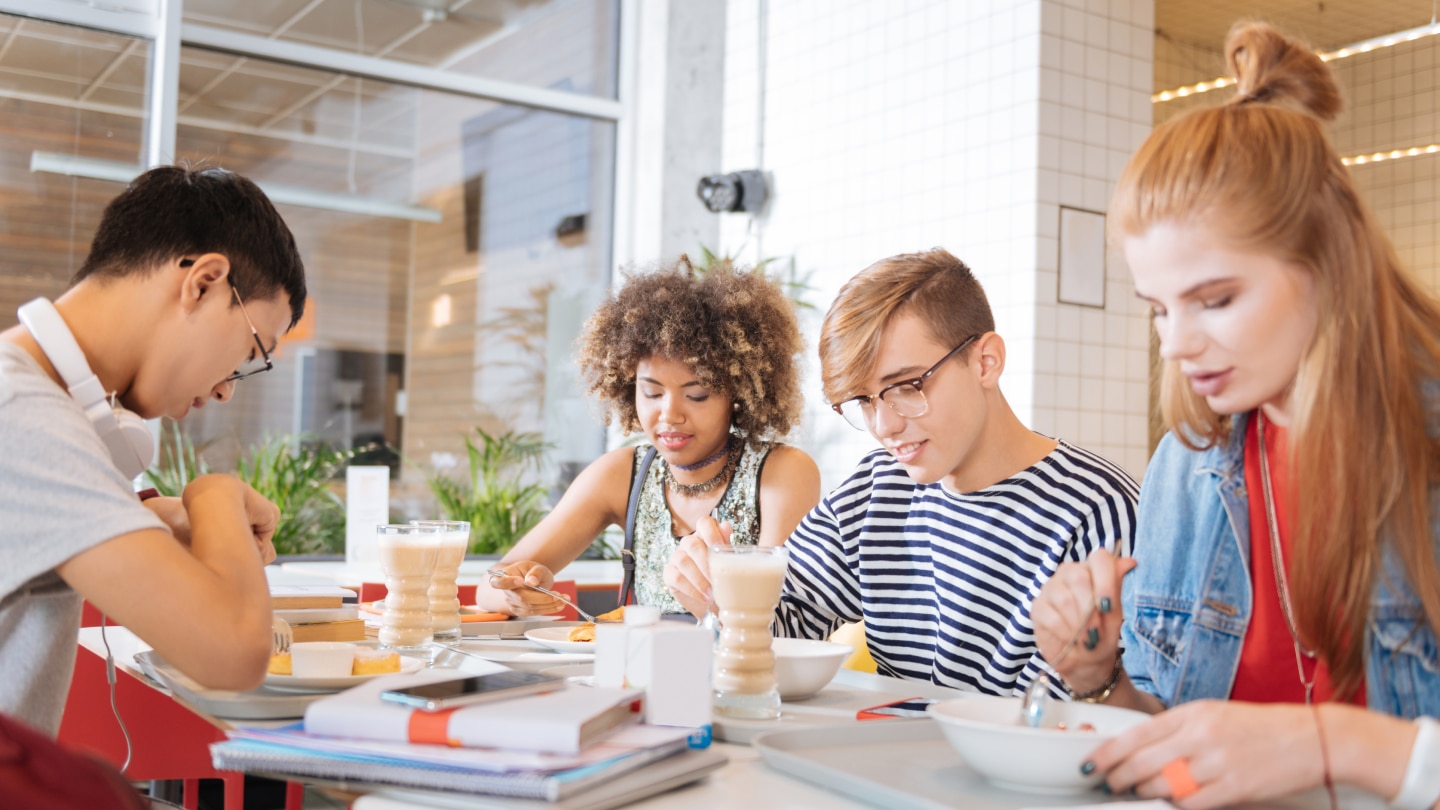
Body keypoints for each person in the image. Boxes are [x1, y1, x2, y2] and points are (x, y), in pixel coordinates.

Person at [1031, 22, 1440, 809]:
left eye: (1215, 300)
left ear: (1327, 263)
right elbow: (1178, 738)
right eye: (1158, 309)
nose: (1178, 344)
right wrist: (1099, 679)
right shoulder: (1188, 462)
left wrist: (1330, 743)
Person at [668, 248, 1139, 697]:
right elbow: (788, 625)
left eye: (906, 386)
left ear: (985, 362)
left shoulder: (1100, 512)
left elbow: (1138, 704)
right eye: (864, 401)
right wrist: (719, 595)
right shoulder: (876, 489)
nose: (884, 426)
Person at [0, 165, 306, 735]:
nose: (224, 389)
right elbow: (233, 653)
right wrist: (217, 493)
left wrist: (152, 518)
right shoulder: (22, 412)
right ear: (205, 281)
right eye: (251, 349)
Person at [478, 256, 820, 617]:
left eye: (697, 394)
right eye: (652, 393)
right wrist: (517, 591)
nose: (669, 415)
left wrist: (716, 606)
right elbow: (490, 584)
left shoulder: (781, 473)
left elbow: (783, 625)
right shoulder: (621, 475)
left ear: (737, 394)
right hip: (643, 673)